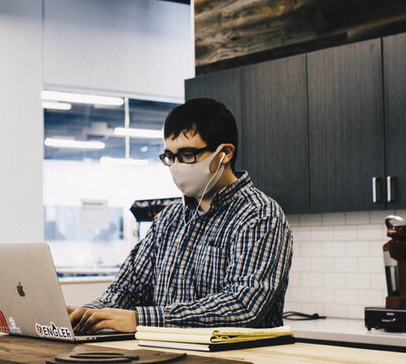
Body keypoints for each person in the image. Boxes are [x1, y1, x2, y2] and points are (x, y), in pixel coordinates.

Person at [68, 98, 293, 334]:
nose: (176, 166)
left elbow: (242, 305)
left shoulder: (259, 215)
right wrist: (84, 315)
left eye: (187, 154)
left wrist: (143, 319)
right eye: (170, 157)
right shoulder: (168, 220)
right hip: (164, 356)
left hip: (235, 363)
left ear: (225, 153)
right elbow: (127, 290)